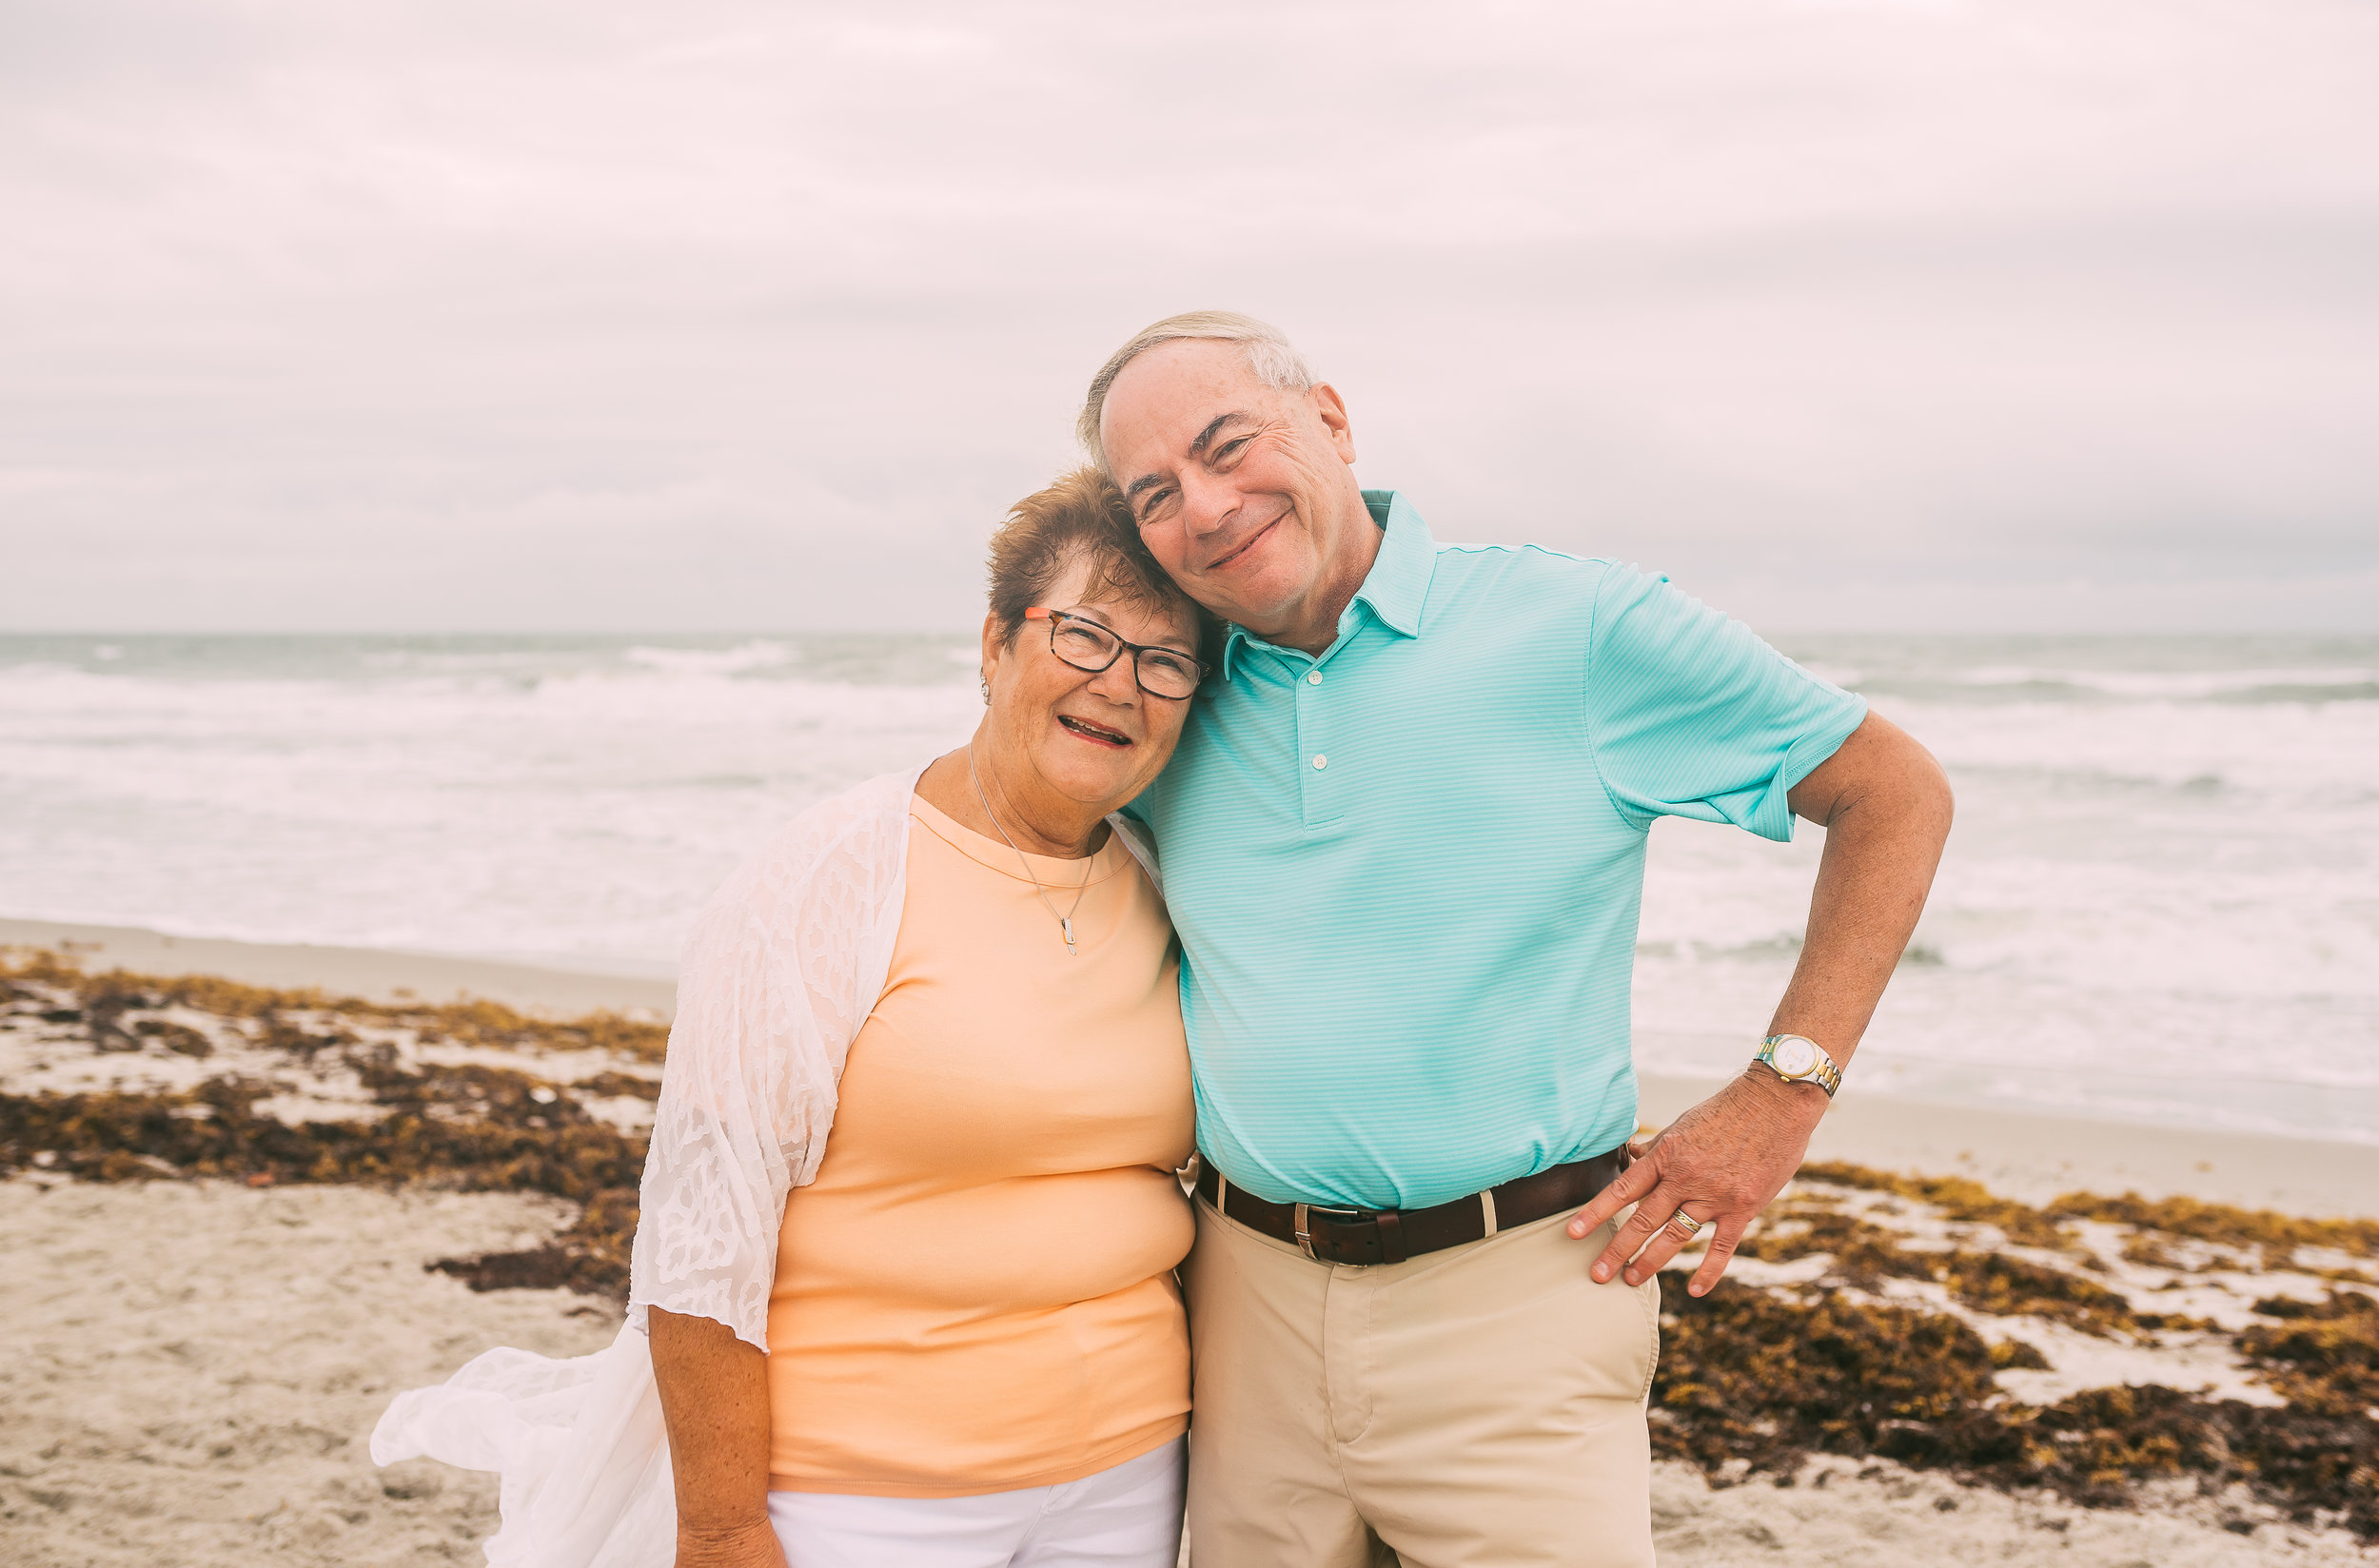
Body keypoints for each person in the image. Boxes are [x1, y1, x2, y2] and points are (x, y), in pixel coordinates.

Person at [1082, 311, 1956, 1568]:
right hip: (1239, 1309)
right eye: (1155, 493)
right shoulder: (1167, 686)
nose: (1207, 507)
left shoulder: (1577, 626)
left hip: (1521, 1303)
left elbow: (1894, 788)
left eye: (1230, 445)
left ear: (1330, 419)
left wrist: (1783, 1094)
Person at [373, 468, 1211, 1568]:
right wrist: (720, 1526)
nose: (1122, 684)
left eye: (1166, 662)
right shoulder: (829, 876)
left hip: (1130, 1479)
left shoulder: (1171, 882)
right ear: (997, 642)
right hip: (865, 1496)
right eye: (1088, 636)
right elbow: (699, 1229)